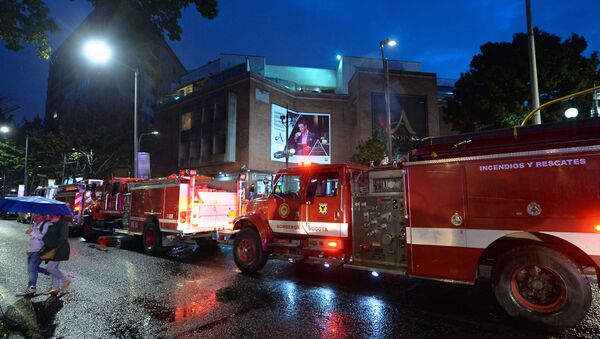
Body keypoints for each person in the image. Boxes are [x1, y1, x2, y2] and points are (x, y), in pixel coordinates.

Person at [41, 214, 71, 294]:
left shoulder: (63, 224)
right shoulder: (55, 224)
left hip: (59, 250)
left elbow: (63, 238)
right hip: (55, 249)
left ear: (58, 216)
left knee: (50, 268)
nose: (50, 217)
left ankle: (65, 280)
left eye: (52, 216)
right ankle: (55, 287)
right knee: (54, 268)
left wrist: (54, 246)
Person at [22, 213, 51, 295]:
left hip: (40, 250)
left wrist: (32, 233)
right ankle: (50, 272)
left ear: (44, 215)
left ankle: (32, 287)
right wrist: (29, 249)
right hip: (33, 250)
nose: (35, 217)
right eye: (34, 216)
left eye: (38, 216)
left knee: (32, 269)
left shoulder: (47, 224)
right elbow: (33, 239)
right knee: (32, 268)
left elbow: (43, 237)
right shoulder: (36, 223)